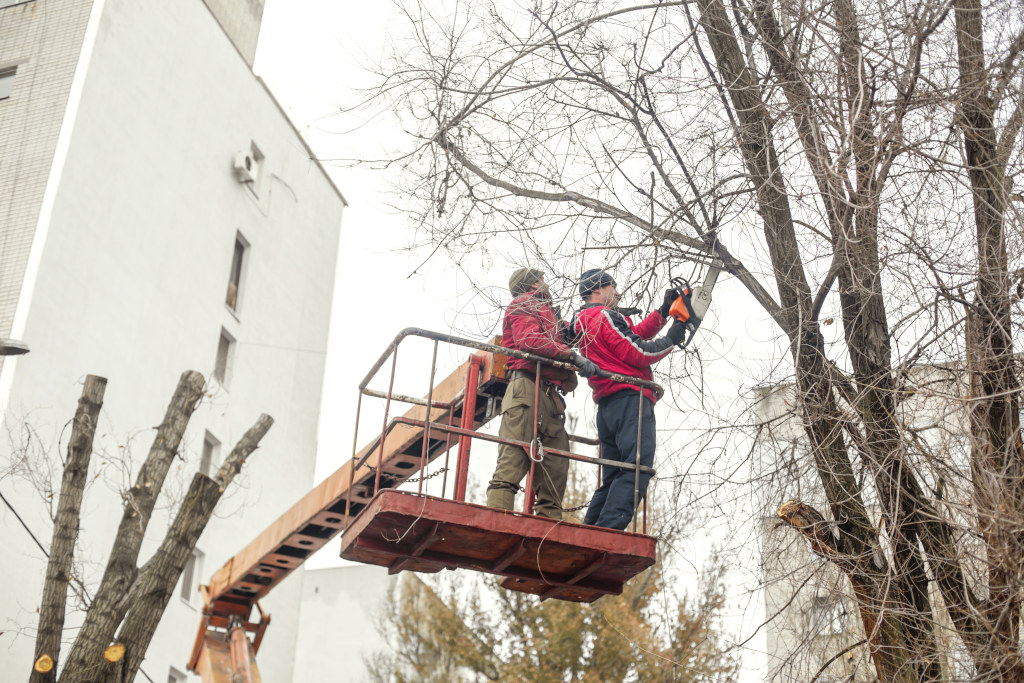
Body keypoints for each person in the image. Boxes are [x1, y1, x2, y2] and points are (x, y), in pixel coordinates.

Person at [573, 269, 687, 530]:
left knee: (614, 474)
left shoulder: (584, 320)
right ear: (598, 290)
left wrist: (663, 312)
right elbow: (637, 351)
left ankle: (590, 530)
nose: (618, 293)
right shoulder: (603, 316)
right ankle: (608, 530)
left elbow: (632, 334)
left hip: (608, 405)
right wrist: (672, 338)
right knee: (638, 467)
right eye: (613, 287)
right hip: (629, 399)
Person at [486, 268, 599, 519]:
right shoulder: (524, 304)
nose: (547, 283)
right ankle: (497, 524)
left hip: (550, 397)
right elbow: (529, 341)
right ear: (533, 283)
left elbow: (570, 335)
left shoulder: (548, 314)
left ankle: (547, 533)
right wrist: (571, 355)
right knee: (512, 462)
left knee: (554, 470)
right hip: (526, 389)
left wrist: (601, 315)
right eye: (543, 279)